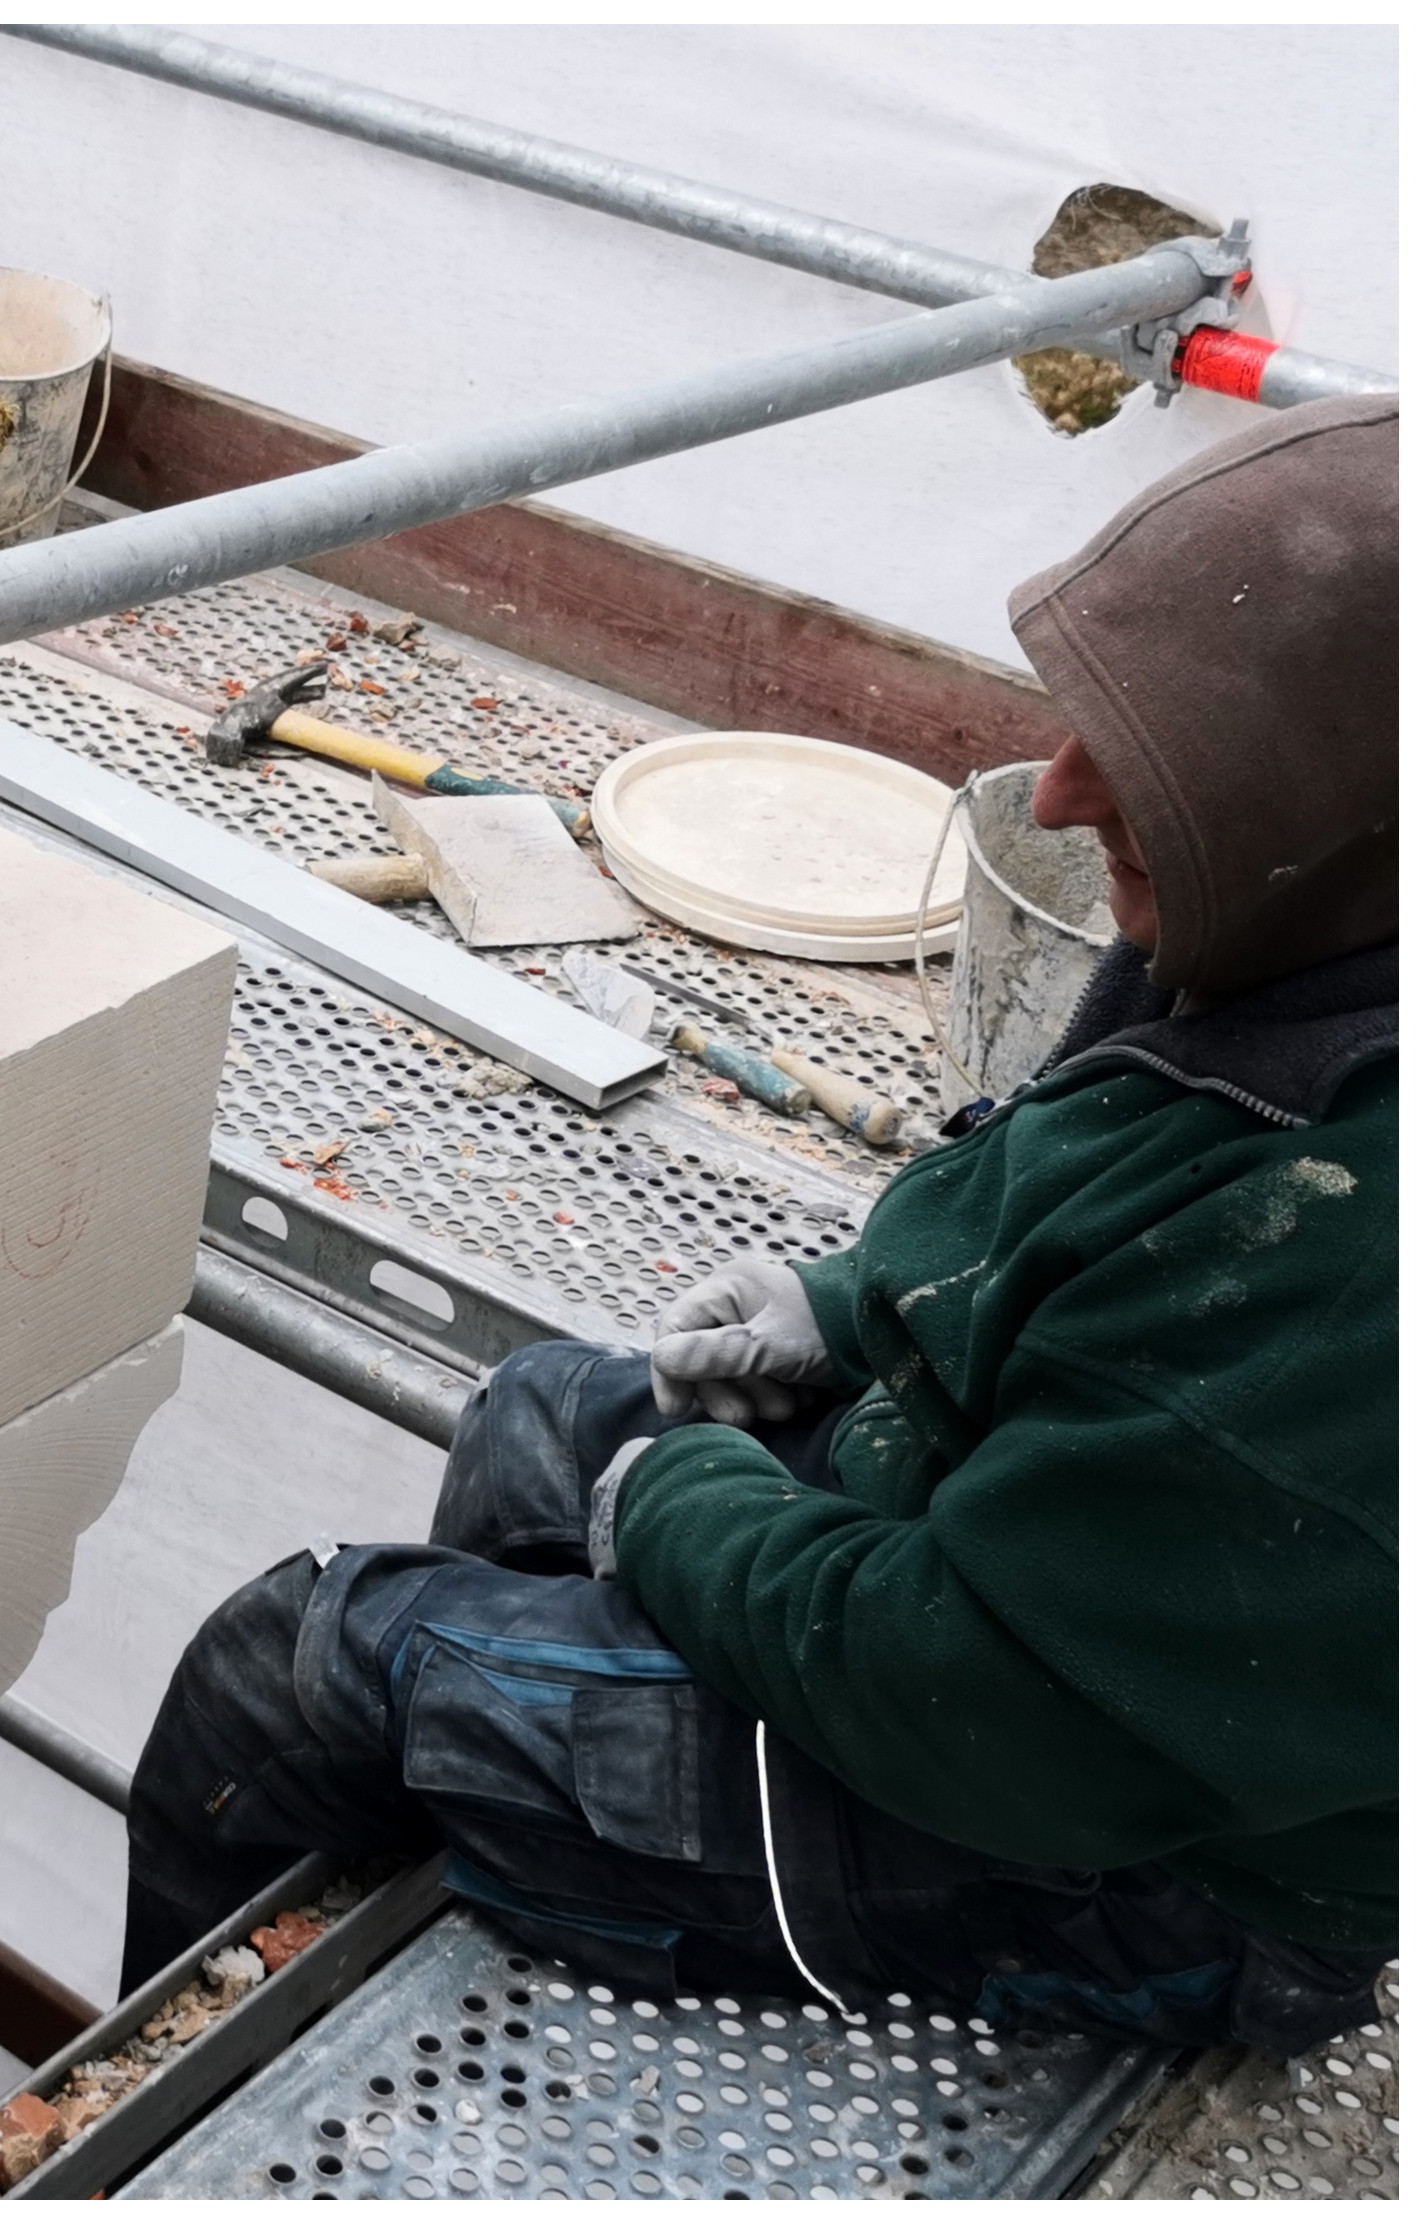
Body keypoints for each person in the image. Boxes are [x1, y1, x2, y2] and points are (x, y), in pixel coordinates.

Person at [121, 393, 1396, 2056]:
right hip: (1032, 1594)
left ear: (1338, 788)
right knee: (533, 1419)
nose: (1063, 798)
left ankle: (142, 2104)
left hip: (1121, 1864)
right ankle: (521, 1789)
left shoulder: (1343, 1263)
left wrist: (683, 1516)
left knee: (288, 1674)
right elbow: (1086, 1194)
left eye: (1157, 770)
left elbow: (985, 1699)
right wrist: (856, 1299)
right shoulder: (1315, 919)